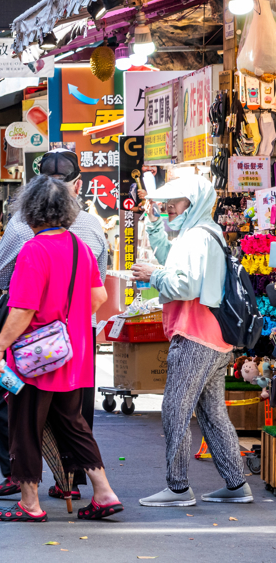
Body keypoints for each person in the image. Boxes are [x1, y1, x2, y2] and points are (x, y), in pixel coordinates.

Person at [0, 175, 121, 522]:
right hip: (72, 353)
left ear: (30, 210)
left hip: (35, 358)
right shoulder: (79, 247)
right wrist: (67, 318)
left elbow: (23, 309)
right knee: (73, 425)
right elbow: (98, 297)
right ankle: (104, 493)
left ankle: (29, 503)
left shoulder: (33, 249)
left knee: (26, 427)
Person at [133, 175, 253, 507]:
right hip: (215, 339)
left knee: (175, 409)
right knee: (212, 413)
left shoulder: (196, 238)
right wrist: (156, 226)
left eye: (177, 201)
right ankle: (235, 483)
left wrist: (153, 275)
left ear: (194, 203)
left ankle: (177, 488)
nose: (169, 206)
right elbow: (173, 259)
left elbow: (184, 286)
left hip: (194, 337)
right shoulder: (205, 233)